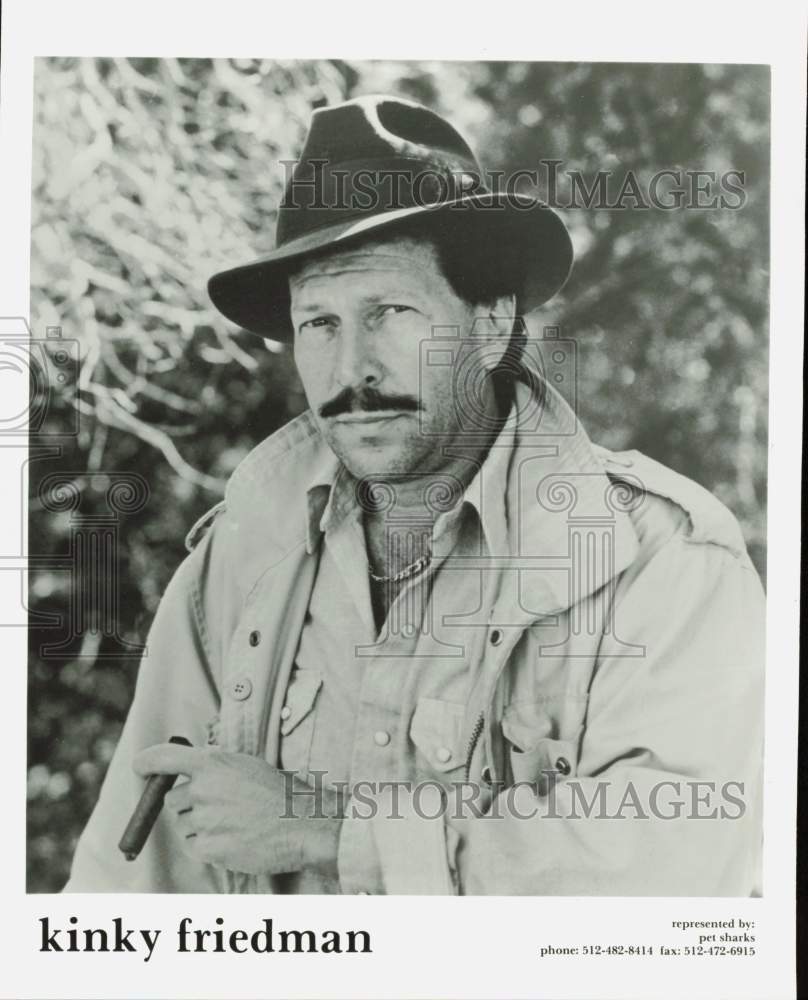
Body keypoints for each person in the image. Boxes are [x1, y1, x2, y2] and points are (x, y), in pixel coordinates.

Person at [66, 95, 764, 895]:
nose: (351, 369)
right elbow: (126, 890)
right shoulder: (241, 555)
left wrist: (328, 832)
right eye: (319, 323)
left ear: (492, 323)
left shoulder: (658, 558)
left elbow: (678, 875)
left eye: (390, 312)